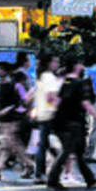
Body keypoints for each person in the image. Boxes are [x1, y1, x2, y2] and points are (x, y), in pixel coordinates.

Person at [46, 55, 96, 191]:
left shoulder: (65, 82)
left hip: (62, 121)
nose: (82, 67)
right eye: (80, 64)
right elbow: (86, 103)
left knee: (78, 152)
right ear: (76, 66)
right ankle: (52, 179)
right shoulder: (80, 83)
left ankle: (90, 179)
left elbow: (57, 101)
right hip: (74, 122)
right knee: (67, 151)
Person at [0, 61, 35, 181]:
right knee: (14, 145)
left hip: (11, 119)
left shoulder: (12, 84)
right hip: (2, 119)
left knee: (6, 145)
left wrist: (7, 109)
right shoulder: (1, 84)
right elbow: (1, 98)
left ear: (4, 71)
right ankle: (29, 165)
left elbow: (20, 101)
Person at [33, 54, 62, 184]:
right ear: (49, 63)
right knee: (61, 144)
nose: (57, 64)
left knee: (44, 145)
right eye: (55, 61)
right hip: (51, 113)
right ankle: (44, 172)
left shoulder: (40, 77)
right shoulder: (49, 77)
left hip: (42, 113)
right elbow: (51, 97)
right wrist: (61, 104)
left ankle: (41, 172)